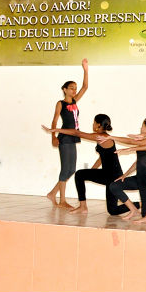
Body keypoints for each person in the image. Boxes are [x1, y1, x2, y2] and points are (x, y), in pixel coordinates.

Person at [42, 114, 135, 215]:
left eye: (94, 122)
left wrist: (56, 130)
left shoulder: (100, 137)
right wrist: (92, 170)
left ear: (98, 125)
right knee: (112, 210)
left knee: (79, 175)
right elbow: (102, 158)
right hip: (112, 175)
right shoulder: (104, 137)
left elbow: (77, 133)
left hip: (111, 176)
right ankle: (141, 205)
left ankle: (83, 207)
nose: (93, 124)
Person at [46, 59, 89, 208]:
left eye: (75, 88)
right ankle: (62, 200)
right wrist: (53, 137)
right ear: (64, 89)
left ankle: (52, 193)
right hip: (64, 138)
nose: (74, 90)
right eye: (71, 88)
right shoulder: (61, 103)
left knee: (71, 169)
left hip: (73, 137)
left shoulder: (75, 102)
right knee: (66, 169)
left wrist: (85, 69)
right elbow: (54, 120)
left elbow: (85, 87)